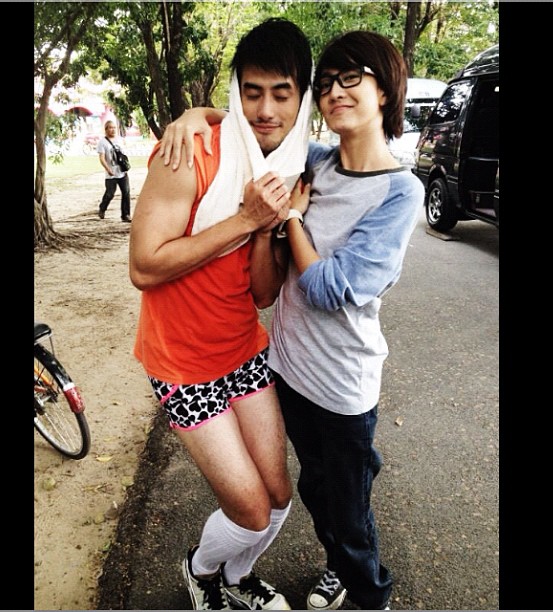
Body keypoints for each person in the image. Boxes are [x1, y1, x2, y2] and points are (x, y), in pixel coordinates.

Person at [160, 29, 425, 611]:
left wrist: (292, 221)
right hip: (286, 370)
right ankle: (336, 565)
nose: (335, 92)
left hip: (343, 384)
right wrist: (193, 115)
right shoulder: (314, 162)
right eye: (326, 83)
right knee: (315, 487)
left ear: (386, 91)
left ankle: (369, 593)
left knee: (349, 508)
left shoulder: (400, 192)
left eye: (352, 79)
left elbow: (330, 288)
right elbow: (257, 119)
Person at [129, 18, 315, 611]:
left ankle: (238, 578)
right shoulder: (188, 152)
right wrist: (243, 218)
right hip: (182, 364)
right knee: (250, 509)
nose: (265, 110)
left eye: (281, 93)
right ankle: (201, 571)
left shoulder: (289, 166)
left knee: (279, 496)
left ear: (302, 97)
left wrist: (263, 228)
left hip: (241, 349)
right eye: (251, 92)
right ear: (236, 91)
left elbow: (262, 295)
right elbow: (144, 267)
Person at [97, 120, 132, 222]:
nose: (113, 130)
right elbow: (102, 158)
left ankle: (125, 215)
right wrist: (107, 169)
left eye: (114, 127)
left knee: (126, 192)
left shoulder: (119, 140)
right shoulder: (102, 142)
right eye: (110, 128)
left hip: (122, 172)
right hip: (111, 173)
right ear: (106, 129)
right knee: (110, 193)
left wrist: (125, 166)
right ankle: (102, 208)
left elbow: (123, 155)